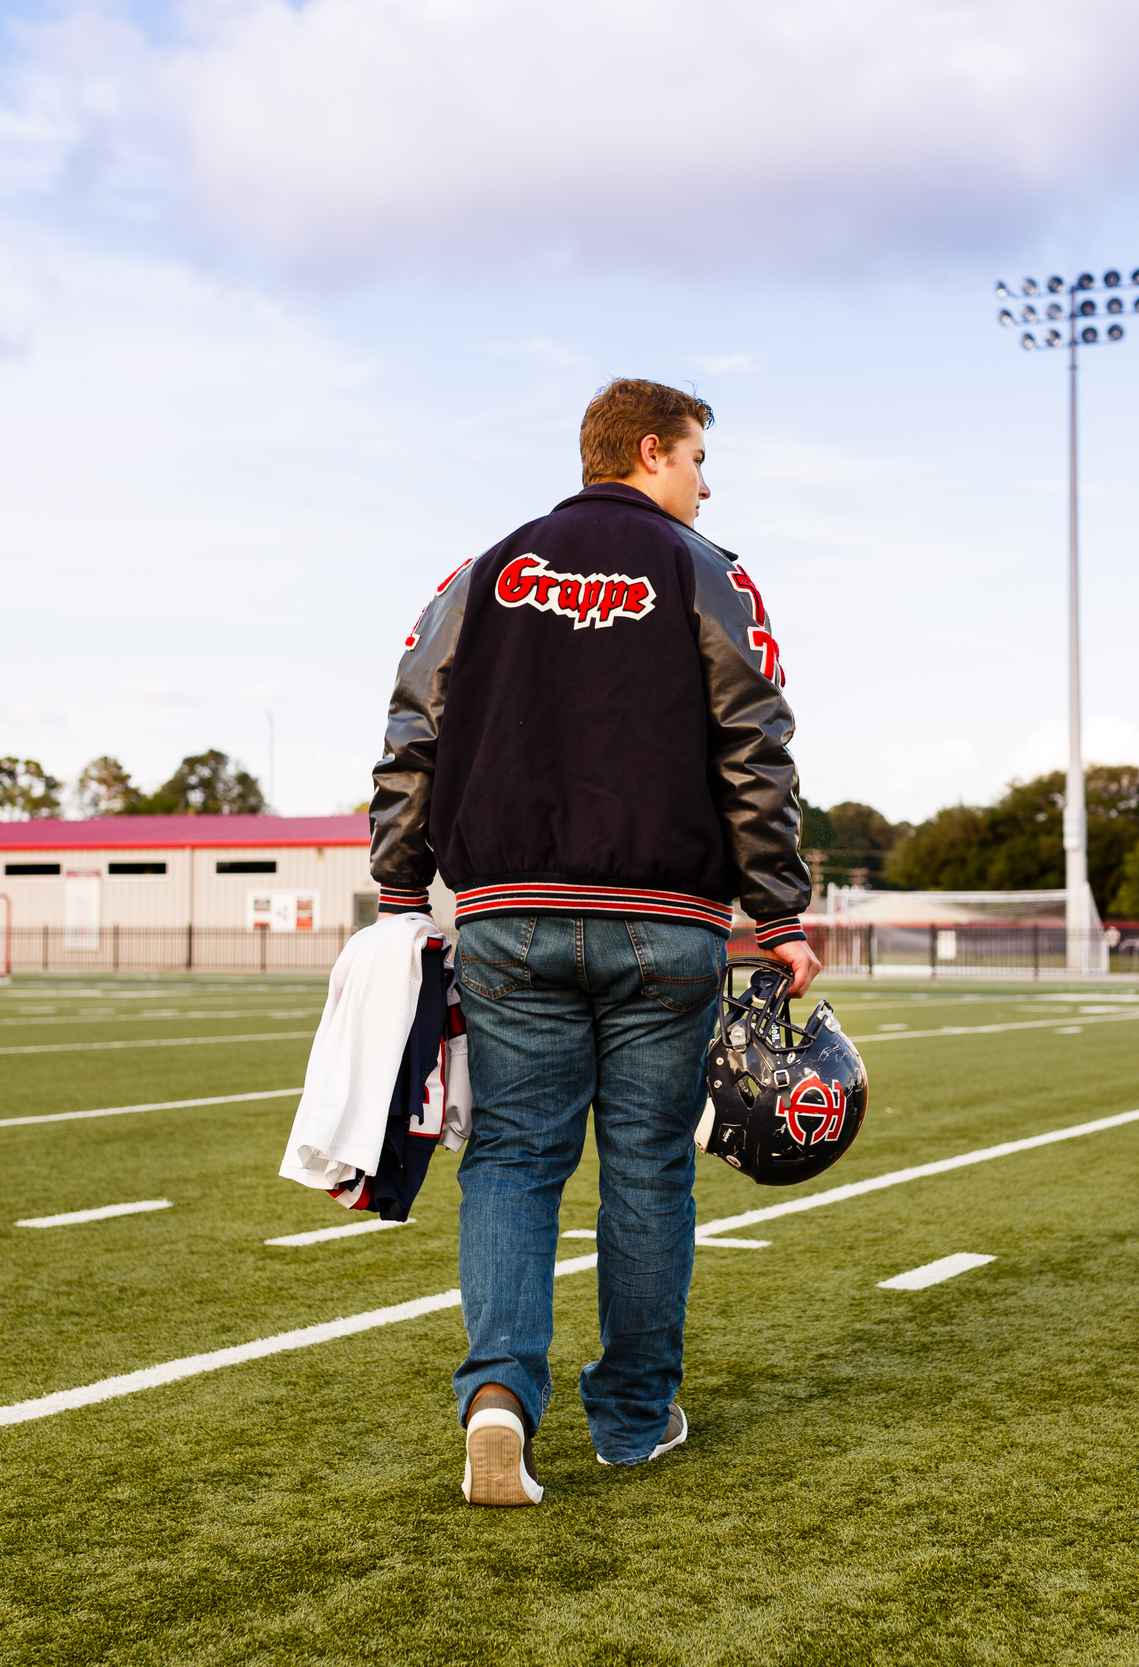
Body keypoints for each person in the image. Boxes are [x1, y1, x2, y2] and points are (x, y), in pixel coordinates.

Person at [370, 377, 822, 1506]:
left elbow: (411, 729)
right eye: (700, 458)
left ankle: (498, 1401)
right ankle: (629, 1416)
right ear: (650, 448)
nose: (708, 483)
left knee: (515, 1160)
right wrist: (778, 908)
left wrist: (398, 886)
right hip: (663, 925)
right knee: (648, 1171)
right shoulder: (705, 569)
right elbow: (753, 742)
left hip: (508, 915)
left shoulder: (480, 570)